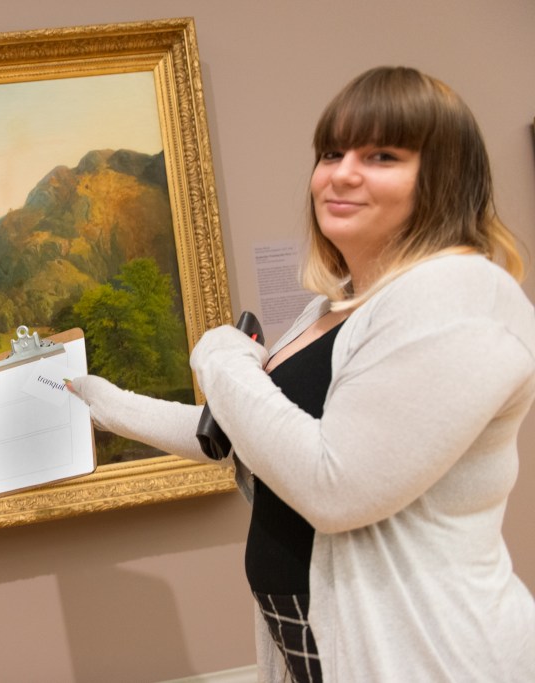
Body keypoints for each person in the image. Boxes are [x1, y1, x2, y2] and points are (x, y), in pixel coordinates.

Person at [67, 66, 535, 681]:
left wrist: (219, 354)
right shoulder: (331, 308)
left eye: (383, 155)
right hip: (308, 634)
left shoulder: (463, 294)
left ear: (444, 179)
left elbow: (335, 486)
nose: (340, 173)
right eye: (331, 152)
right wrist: (92, 398)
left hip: (427, 653)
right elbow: (236, 430)